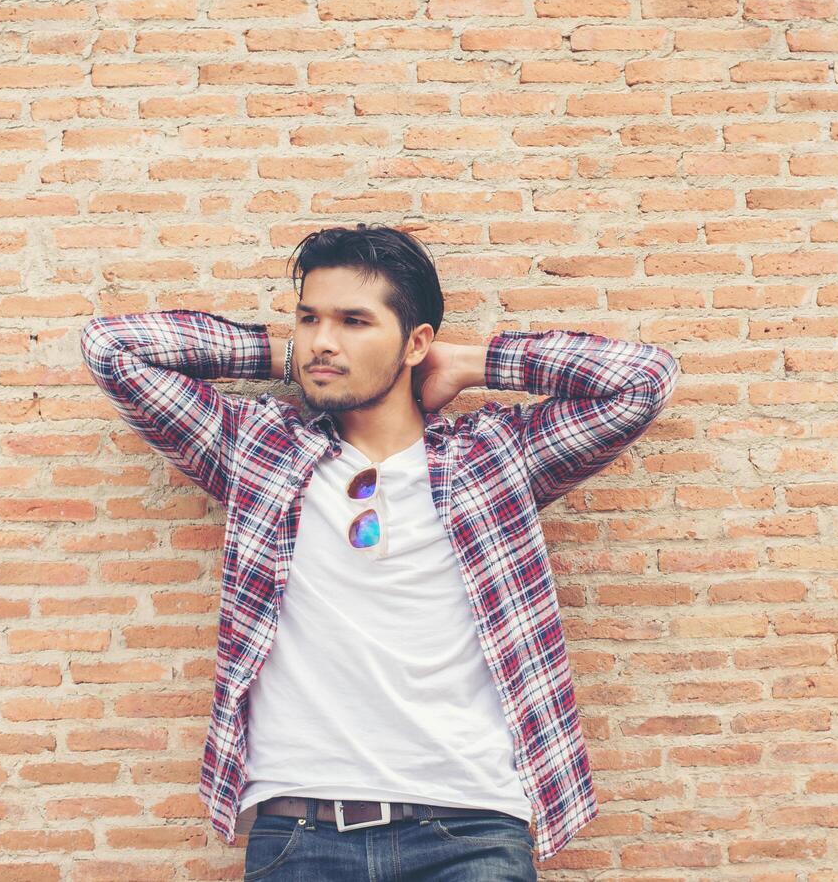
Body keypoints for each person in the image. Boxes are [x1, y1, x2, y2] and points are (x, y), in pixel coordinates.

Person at [78, 224, 680, 880]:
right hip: (300, 833)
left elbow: (642, 381)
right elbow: (113, 349)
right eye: (309, 318)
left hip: (470, 828)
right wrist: (293, 357)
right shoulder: (258, 448)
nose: (323, 339)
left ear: (415, 340)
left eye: (354, 321)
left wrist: (475, 362)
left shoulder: (494, 456)